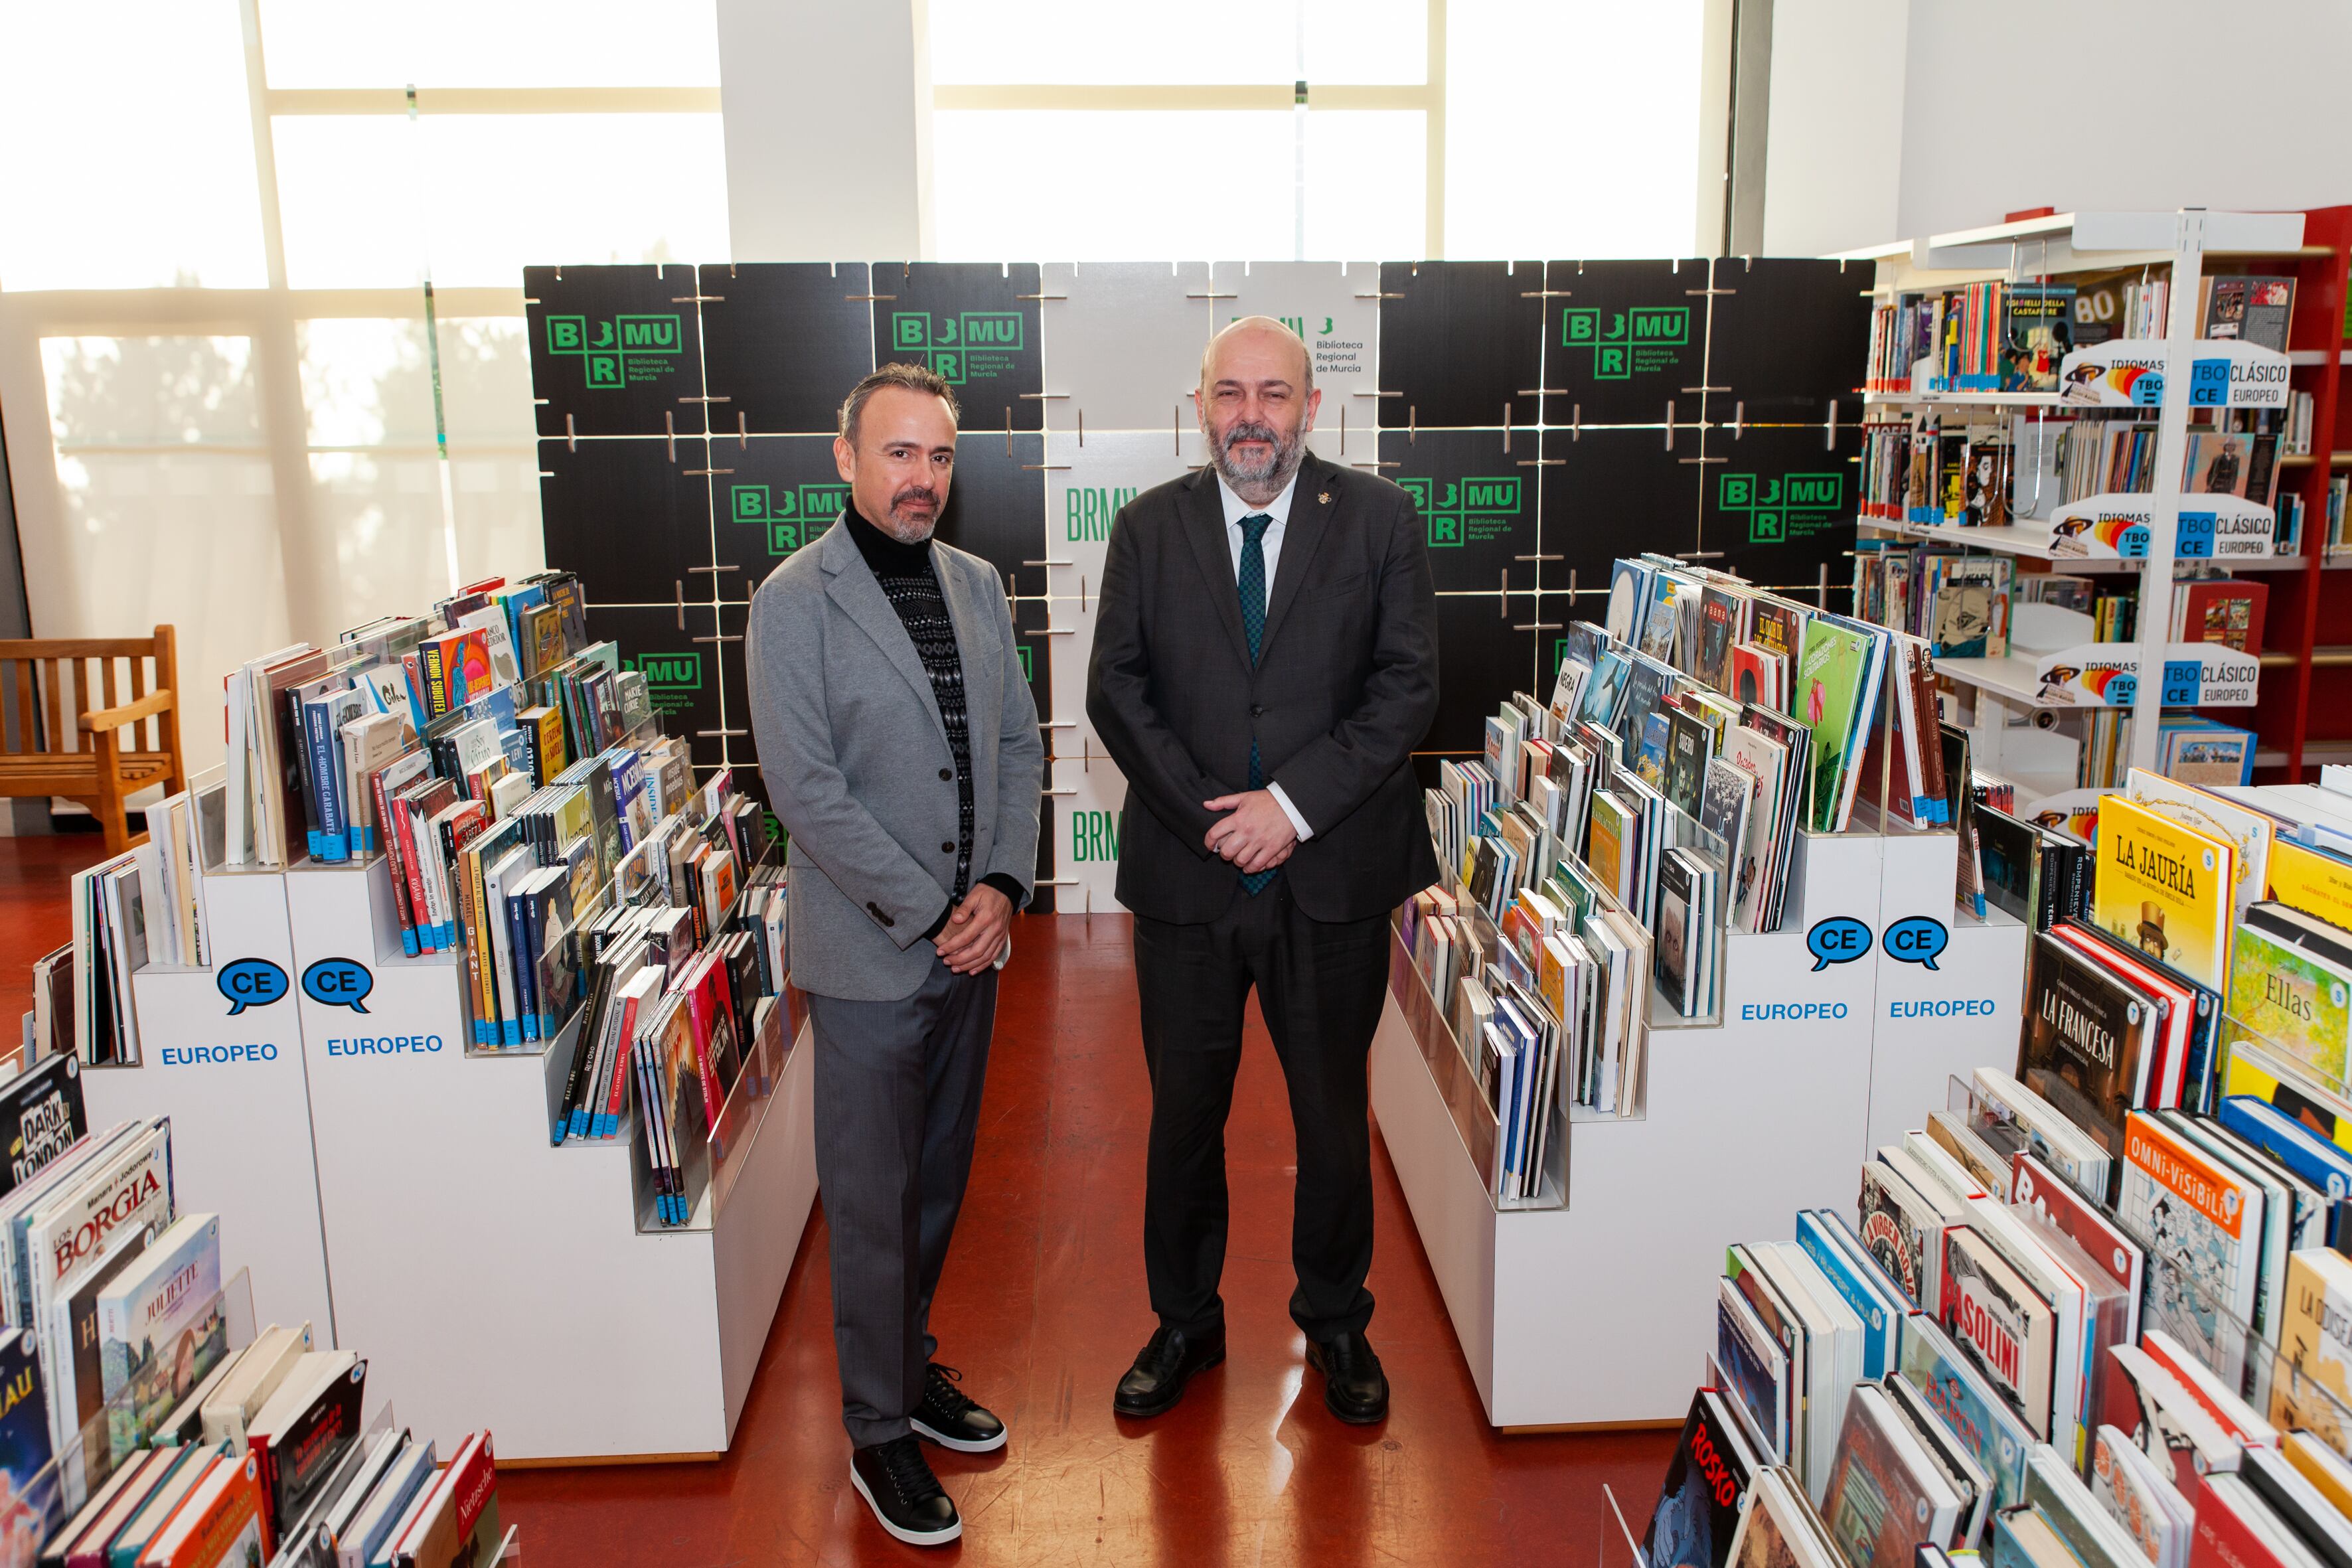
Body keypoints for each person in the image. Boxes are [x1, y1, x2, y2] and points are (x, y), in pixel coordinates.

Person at [1086, 316, 1440, 1426]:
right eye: (1231, 393)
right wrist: (1217, 822)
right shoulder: (1147, 529)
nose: (1253, 415)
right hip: (1191, 886)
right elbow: (1117, 690)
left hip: (1330, 881)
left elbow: (1405, 688)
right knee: (1183, 1119)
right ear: (1201, 407)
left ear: (1311, 408)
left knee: (1333, 1120)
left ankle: (1335, 1322)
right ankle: (1185, 1322)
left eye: (1274, 393)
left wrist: (1289, 810)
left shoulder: (1380, 520)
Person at [746, 363, 1043, 1548]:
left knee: (934, 1180)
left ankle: (909, 1368)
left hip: (972, 949)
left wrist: (1005, 888)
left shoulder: (975, 583)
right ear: (845, 459)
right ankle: (875, 1432)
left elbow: (1018, 744)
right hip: (873, 952)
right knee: (869, 1201)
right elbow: (805, 790)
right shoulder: (792, 599)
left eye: (939, 457)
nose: (921, 478)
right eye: (898, 454)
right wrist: (936, 908)